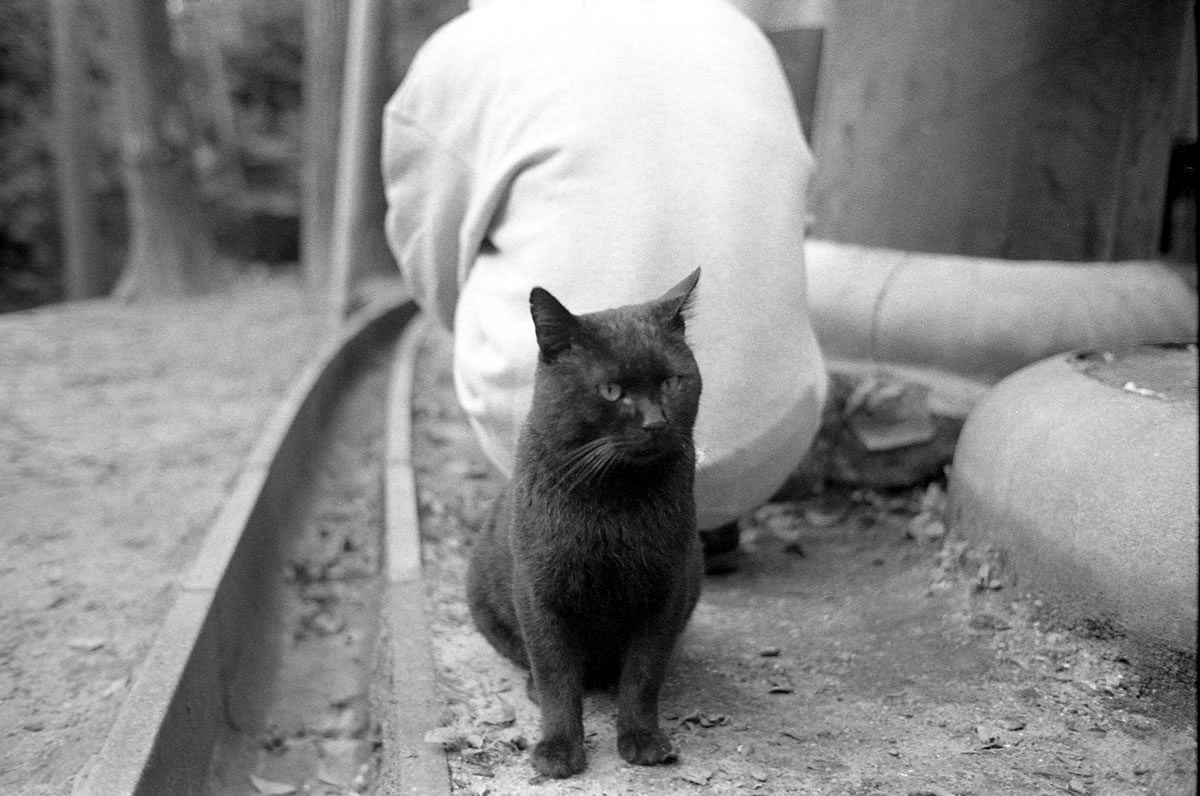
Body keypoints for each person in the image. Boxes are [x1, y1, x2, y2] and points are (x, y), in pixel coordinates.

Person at [382, 0, 827, 571]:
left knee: (472, 251)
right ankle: (705, 521)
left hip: (574, 451)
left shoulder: (467, 45)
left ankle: (555, 522)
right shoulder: (736, 26)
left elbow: (432, 261)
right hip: (768, 441)